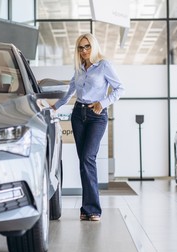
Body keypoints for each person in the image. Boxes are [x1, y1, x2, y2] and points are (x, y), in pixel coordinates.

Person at [52, 33, 124, 221]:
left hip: (96, 116)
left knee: (87, 158)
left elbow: (120, 89)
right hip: (78, 115)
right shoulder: (79, 68)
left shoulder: (104, 66)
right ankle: (86, 208)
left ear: (93, 47)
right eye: (80, 48)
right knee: (83, 162)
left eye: (87, 47)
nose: (84, 51)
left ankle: (93, 209)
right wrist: (53, 107)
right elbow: (69, 92)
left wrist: (103, 103)